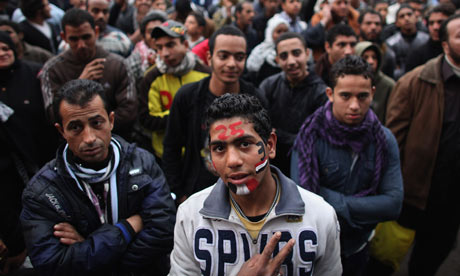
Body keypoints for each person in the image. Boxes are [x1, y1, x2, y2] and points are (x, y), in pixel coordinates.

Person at [169, 93, 342, 275]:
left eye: (244, 144)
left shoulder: (320, 216)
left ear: (270, 145)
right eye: (219, 148)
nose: (233, 161)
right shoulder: (190, 216)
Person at [20, 79, 176, 276]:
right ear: (61, 131)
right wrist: (127, 228)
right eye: (76, 127)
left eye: (96, 123)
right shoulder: (43, 191)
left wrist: (91, 248)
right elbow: (52, 263)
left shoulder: (142, 163)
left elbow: (163, 231)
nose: (89, 138)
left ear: (111, 120)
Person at [292, 55, 403, 276]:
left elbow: (393, 204)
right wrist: (363, 208)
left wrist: (333, 203)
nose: (354, 105)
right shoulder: (309, 137)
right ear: (330, 94)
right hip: (315, 247)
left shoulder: (384, 139)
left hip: (356, 248)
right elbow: (300, 201)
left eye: (362, 96)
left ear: (372, 92)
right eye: (345, 96)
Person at [385, 14, 460, 276]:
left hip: (452, 202)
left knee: (431, 258)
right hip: (415, 195)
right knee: (388, 257)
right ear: (445, 44)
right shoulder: (414, 83)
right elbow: (393, 142)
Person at [162, 26, 262, 205]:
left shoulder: (256, 98)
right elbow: (171, 147)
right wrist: (179, 193)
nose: (232, 64)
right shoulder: (187, 97)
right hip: (196, 193)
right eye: (223, 56)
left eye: (239, 57)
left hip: (245, 196)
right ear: (209, 58)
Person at [0, 30, 56, 276]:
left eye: (5, 48)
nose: (2, 53)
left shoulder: (34, 73)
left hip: (38, 159)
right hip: (5, 170)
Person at [39, 8, 137, 140]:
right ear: (64, 38)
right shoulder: (52, 69)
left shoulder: (118, 65)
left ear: (96, 32)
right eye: (74, 39)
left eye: (86, 37)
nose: (81, 45)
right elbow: (52, 114)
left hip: (118, 142)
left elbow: (129, 110)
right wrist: (77, 86)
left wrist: (100, 128)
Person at [138, 20, 210, 160]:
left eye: (170, 45)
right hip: (165, 155)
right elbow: (146, 119)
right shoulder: (150, 78)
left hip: (200, 155)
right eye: (159, 47)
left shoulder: (205, 74)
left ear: (185, 45)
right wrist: (183, 114)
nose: (164, 53)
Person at [259, 32, 327, 176]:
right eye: (284, 56)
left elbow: (316, 138)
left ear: (307, 54)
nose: (291, 61)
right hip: (271, 165)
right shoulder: (268, 86)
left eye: (296, 53)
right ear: (277, 60)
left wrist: (279, 135)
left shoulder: (320, 92)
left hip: (306, 165)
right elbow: (260, 128)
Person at [405, 3, 454, 72]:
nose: (435, 27)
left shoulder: (455, 51)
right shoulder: (417, 55)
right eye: (431, 23)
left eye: (440, 22)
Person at [385, 4, 429, 79]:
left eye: (409, 14)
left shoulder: (427, 39)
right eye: (402, 16)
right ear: (397, 23)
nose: (406, 18)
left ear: (415, 18)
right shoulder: (391, 43)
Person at [356, 41, 395, 124]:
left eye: (374, 57)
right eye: (365, 57)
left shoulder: (389, 85)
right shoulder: (349, 83)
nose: (371, 61)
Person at [126, 10, 167, 85]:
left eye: (159, 30)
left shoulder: (171, 53)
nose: (155, 36)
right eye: (150, 32)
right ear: (143, 36)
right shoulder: (136, 58)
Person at [245, 15, 289, 86]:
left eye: (285, 31)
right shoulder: (260, 51)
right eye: (279, 31)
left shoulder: (292, 52)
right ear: (270, 33)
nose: (282, 35)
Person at [358, 8, 396, 79]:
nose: (373, 27)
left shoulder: (388, 53)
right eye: (368, 23)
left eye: (377, 24)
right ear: (359, 25)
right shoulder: (351, 48)